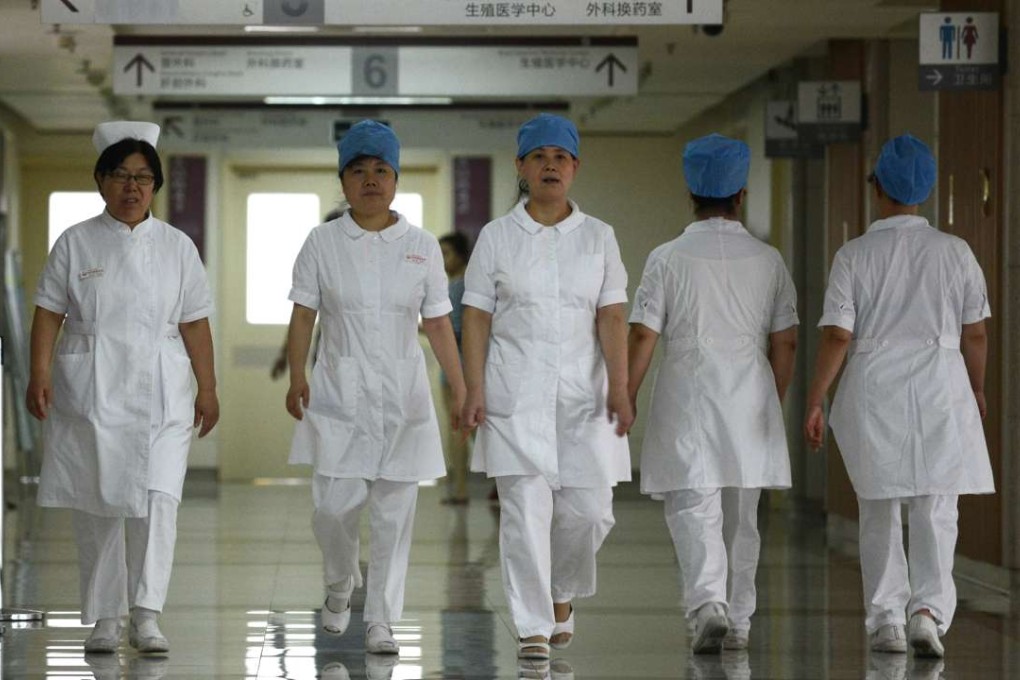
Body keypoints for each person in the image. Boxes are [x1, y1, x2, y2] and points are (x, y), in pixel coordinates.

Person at [27, 121, 218, 655]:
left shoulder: (178, 246)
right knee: (98, 504)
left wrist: (208, 387)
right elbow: (48, 311)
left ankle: (147, 612)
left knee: (160, 501)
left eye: (142, 177)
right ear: (100, 181)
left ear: (155, 185)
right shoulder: (75, 241)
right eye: (119, 175)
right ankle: (106, 617)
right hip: (93, 388)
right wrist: (39, 373)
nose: (131, 187)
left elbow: (196, 322)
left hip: (163, 391)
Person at [805, 134, 993, 658]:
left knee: (880, 505)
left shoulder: (854, 255)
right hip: (940, 383)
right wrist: (975, 387)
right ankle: (928, 613)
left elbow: (838, 335)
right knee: (937, 504)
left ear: (876, 187)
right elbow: (975, 332)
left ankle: (886, 619)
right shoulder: (956, 253)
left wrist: (816, 397)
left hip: (874, 386)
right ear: (927, 190)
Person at [285, 120, 466, 655]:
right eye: (358, 170)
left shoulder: (421, 245)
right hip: (337, 392)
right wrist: (297, 372)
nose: (370, 180)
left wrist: (460, 388)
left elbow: (438, 323)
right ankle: (340, 583)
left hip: (403, 395)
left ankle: (383, 620)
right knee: (331, 509)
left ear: (395, 178)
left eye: (381, 170)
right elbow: (302, 316)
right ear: (343, 181)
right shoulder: (321, 242)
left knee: (393, 516)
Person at [460, 113, 632, 660]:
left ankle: (562, 592)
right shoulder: (497, 237)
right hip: (515, 394)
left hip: (586, 395)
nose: (550, 166)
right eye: (539, 157)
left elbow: (611, 317)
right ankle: (533, 624)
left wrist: (622, 386)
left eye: (560, 157)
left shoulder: (598, 237)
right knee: (523, 512)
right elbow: (477, 318)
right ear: (521, 168)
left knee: (591, 510)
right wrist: (473, 387)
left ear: (575, 168)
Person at [627, 133, 799, 654]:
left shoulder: (667, 257)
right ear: (741, 194)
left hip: (688, 386)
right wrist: (774, 399)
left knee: (692, 501)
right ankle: (740, 620)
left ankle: (708, 603)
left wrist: (626, 393)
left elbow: (642, 334)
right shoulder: (769, 260)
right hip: (750, 391)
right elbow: (786, 341)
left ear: (690, 192)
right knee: (742, 513)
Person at [438, 232, 472, 504]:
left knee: (459, 428)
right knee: (467, 429)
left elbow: (454, 330)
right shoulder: (462, 286)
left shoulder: (457, 288)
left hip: (454, 367)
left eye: (446, 253)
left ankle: (460, 487)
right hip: (464, 365)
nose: (442, 259)